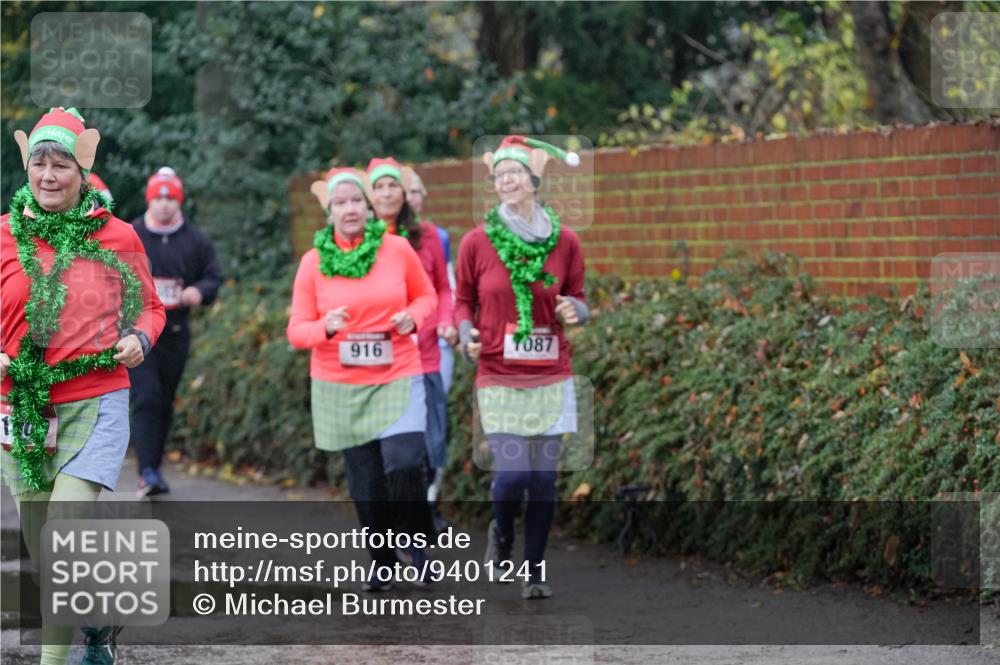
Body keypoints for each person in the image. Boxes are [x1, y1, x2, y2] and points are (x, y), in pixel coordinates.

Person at [1, 107, 166, 664]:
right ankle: (96, 618)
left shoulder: (118, 237)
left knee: (65, 533)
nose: (48, 175)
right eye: (39, 163)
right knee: (44, 551)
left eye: (61, 163)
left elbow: (150, 306)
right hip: (18, 407)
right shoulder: (3, 234)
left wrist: (141, 338)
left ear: (83, 170)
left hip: (95, 397)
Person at [289, 167, 438, 590]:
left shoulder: (396, 249)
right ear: (329, 211)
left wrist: (413, 317)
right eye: (341, 202)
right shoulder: (313, 263)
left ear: (368, 206)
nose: (350, 208)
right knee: (367, 481)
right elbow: (298, 330)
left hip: (397, 371)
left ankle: (416, 541)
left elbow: (427, 295)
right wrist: (327, 329)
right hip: (340, 382)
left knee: (406, 462)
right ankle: (383, 559)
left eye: (357, 200)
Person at [455, 135, 587, 599]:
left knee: (544, 481)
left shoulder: (565, 240)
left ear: (534, 179)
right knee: (513, 476)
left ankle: (534, 571)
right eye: (498, 175)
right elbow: (463, 303)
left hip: (551, 372)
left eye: (513, 172)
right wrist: (467, 333)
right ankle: (501, 532)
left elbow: (579, 298)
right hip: (498, 372)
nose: (505, 180)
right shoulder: (477, 241)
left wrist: (576, 311)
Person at [368, 158, 456, 530]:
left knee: (419, 450)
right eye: (379, 187)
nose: (387, 193)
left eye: (394, 186)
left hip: (424, 356)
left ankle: (417, 525)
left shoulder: (431, 236)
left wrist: (443, 323)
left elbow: (442, 289)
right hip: (373, 362)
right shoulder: (357, 238)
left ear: (406, 193)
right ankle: (397, 527)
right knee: (384, 457)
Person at [128, 167, 223, 496]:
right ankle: (147, 472)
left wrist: (199, 292)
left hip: (176, 332)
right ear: (149, 200)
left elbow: (213, 277)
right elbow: (110, 274)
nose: (165, 204)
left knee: (164, 400)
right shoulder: (132, 234)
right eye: (159, 197)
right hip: (138, 332)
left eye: (171, 198)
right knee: (146, 397)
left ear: (180, 202)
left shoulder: (196, 239)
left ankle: (154, 468)